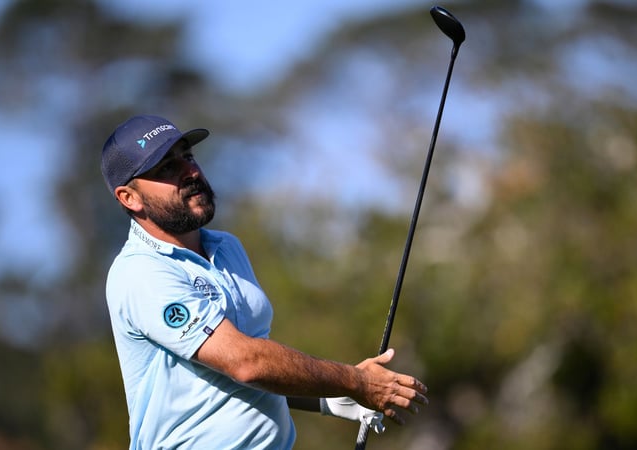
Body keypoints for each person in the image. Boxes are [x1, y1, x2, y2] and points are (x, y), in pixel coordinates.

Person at [100, 115, 428, 449]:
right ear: (130, 198)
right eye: (167, 168)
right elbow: (245, 362)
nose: (191, 172)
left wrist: (327, 400)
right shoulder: (140, 273)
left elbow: (241, 373)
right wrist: (354, 381)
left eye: (188, 157)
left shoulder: (227, 248)